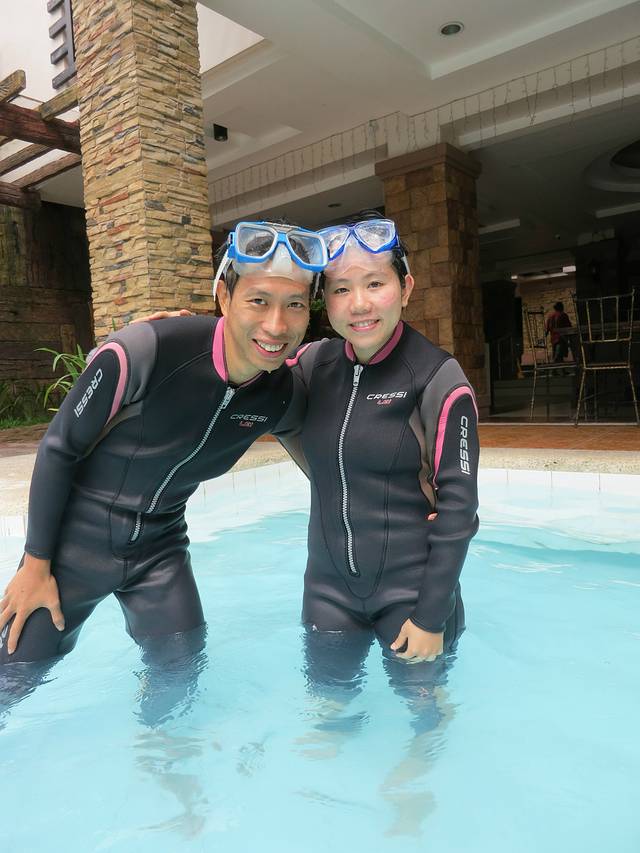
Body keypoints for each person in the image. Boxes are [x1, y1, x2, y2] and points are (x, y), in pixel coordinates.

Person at [0, 221, 327, 680]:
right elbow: (58, 448)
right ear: (224, 297)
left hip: (160, 552)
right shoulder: (148, 350)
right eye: (258, 300)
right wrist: (36, 565)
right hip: (69, 551)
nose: (277, 325)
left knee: (182, 672)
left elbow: (328, 467)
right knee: (12, 680)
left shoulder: (280, 395)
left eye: (294, 305)